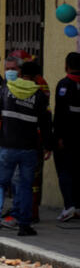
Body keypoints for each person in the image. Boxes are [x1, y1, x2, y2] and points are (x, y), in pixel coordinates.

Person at [0, 60, 53, 237]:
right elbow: (46, 124)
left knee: (0, 183)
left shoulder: (6, 90)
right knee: (25, 186)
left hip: (6, 146)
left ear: (21, 74)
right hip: (29, 149)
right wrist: (48, 146)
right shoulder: (39, 96)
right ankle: (24, 225)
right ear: (37, 77)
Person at [54, 52, 80, 222]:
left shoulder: (64, 84)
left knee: (65, 171)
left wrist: (58, 136)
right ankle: (76, 206)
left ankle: (69, 205)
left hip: (67, 136)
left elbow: (60, 113)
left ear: (67, 65)